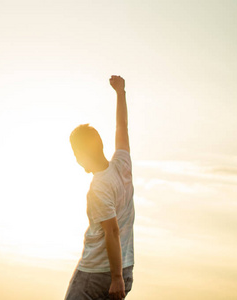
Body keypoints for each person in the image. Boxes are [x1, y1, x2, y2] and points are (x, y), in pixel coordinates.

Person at [65, 75, 135, 300]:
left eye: (76, 155)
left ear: (83, 154)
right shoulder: (122, 164)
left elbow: (112, 231)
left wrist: (115, 279)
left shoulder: (98, 188)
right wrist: (120, 92)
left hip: (98, 273)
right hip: (125, 268)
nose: (76, 161)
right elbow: (121, 126)